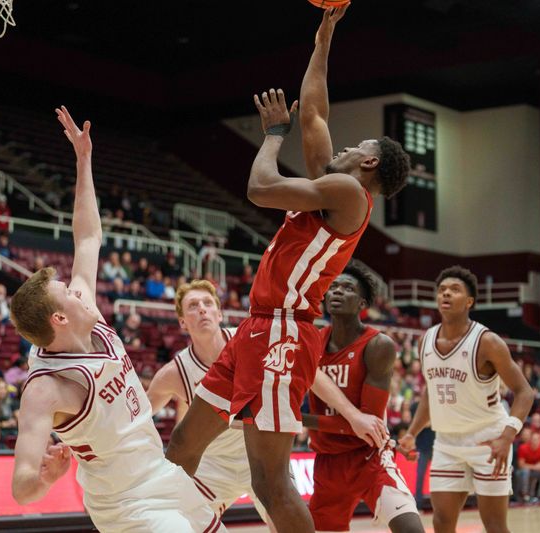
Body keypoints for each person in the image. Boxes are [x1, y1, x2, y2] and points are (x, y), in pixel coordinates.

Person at [165, 7, 409, 531]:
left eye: (358, 147)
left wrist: (274, 135)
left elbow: (259, 188)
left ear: (368, 165)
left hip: (283, 332)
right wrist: (323, 38)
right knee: (182, 446)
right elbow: (316, 114)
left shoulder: (347, 192)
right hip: (256, 327)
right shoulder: (332, 185)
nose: (345, 145)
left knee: (269, 481)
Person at [9, 106, 219, 532]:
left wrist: (83, 161)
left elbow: (88, 236)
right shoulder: (46, 388)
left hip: (162, 475)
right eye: (67, 293)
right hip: (125, 504)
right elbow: (20, 488)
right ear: (58, 320)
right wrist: (45, 479)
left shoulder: (84, 314)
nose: (77, 289)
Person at [148, 279, 381, 527]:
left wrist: (353, 415)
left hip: (261, 453)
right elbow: (137, 419)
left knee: (285, 522)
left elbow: (311, 375)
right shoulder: (173, 373)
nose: (202, 309)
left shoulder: (251, 337)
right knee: (177, 521)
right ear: (182, 322)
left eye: (207, 303)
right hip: (214, 467)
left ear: (220, 313)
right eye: (193, 305)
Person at [399, 266, 535, 533]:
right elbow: (431, 392)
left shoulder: (488, 342)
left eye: (454, 290)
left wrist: (507, 437)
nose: (446, 294)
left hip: (488, 440)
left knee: (494, 526)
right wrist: (412, 432)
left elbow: (525, 392)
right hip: (447, 442)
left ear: (469, 301)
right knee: (441, 522)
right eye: (441, 290)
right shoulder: (425, 340)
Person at [302, 266, 423, 532]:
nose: (337, 292)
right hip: (327, 463)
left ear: (363, 303)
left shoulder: (378, 345)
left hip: (368, 457)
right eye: (333, 287)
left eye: (347, 288)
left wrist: (301, 419)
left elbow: (365, 427)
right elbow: (355, 422)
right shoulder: (311, 343)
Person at [516, 431, 540, 502]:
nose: (535, 441)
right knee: (526, 471)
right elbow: (521, 465)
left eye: (537, 439)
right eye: (533, 439)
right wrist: (535, 467)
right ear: (530, 440)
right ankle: (524, 494)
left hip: (534, 471)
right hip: (522, 471)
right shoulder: (523, 447)